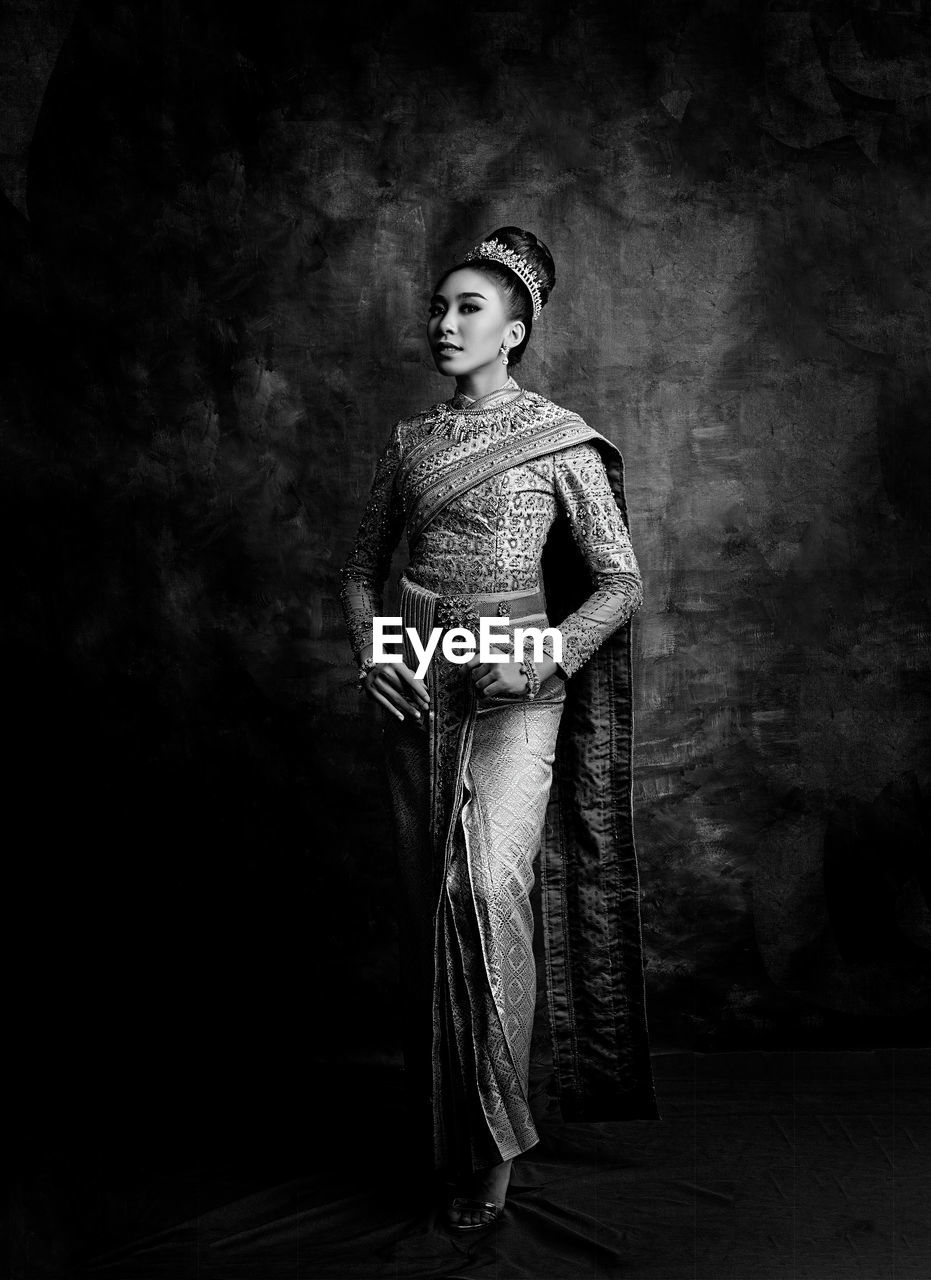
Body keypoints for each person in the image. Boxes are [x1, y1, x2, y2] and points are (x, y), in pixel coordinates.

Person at [338, 226, 659, 1231]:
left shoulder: (558, 437)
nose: (444, 322)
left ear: (512, 330)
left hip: (518, 683)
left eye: (468, 308)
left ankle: (497, 1142)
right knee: (430, 914)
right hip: (421, 680)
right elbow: (358, 569)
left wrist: (553, 653)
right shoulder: (409, 444)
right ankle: (444, 1132)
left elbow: (620, 580)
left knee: (483, 889)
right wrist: (377, 651)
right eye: (438, 306)